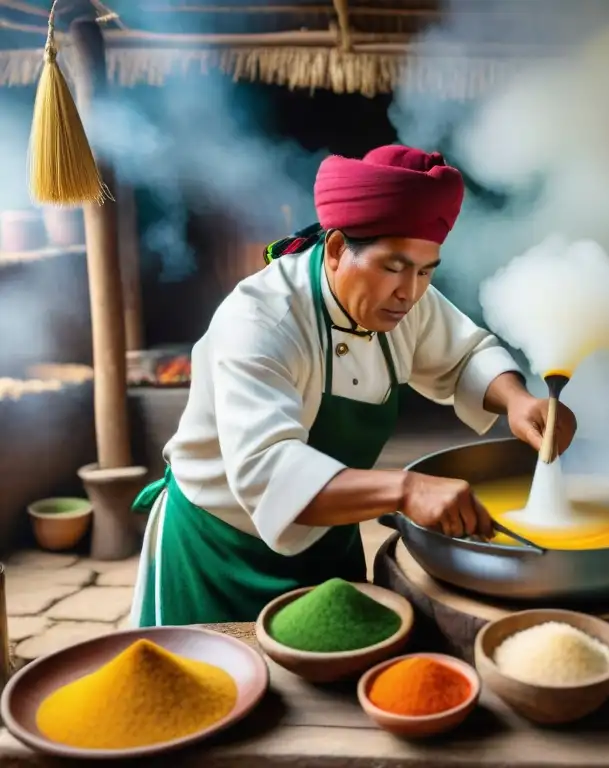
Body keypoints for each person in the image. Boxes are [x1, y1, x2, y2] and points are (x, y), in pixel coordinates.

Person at [129, 145, 576, 627]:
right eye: (394, 266)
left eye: (427, 271)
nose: (410, 292)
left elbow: (465, 353)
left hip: (326, 533)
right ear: (339, 248)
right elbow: (268, 471)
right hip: (219, 551)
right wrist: (405, 489)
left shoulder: (404, 300)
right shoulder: (261, 320)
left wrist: (517, 398)